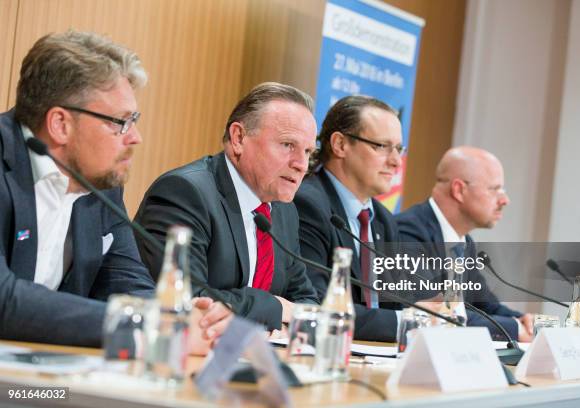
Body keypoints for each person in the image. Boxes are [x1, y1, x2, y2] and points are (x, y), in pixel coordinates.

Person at [0, 31, 230, 347]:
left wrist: (178, 319)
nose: (135, 137)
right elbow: (4, 299)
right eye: (120, 122)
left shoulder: (100, 184)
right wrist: (147, 328)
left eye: (133, 120)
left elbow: (127, 281)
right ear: (61, 125)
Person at [135, 82, 319, 331]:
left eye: (308, 151)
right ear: (239, 138)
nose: (301, 164)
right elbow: (190, 302)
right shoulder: (184, 193)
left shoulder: (284, 211)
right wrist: (273, 306)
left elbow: (308, 306)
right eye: (288, 145)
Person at [395, 146, 534, 341]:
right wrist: (515, 328)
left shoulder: (463, 242)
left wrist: (523, 320)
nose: (505, 200)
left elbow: (484, 305)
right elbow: (441, 313)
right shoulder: (407, 233)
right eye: (495, 189)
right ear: (459, 190)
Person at [294, 95, 405, 342]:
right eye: (381, 146)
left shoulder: (383, 221)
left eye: (398, 148)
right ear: (340, 144)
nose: (396, 161)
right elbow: (318, 305)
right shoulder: (306, 204)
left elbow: (394, 304)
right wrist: (408, 323)